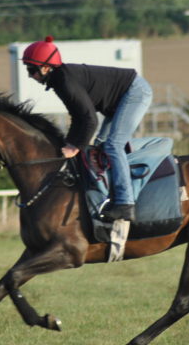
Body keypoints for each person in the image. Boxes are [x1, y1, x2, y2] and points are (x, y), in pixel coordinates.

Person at [21, 35, 153, 222]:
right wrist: (69, 142)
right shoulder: (59, 80)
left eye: (31, 69)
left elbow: (90, 120)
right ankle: (109, 193)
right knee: (99, 145)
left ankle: (125, 204)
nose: (29, 74)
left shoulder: (65, 82)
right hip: (119, 100)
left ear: (46, 67)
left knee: (113, 145)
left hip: (134, 92)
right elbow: (79, 116)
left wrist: (75, 147)